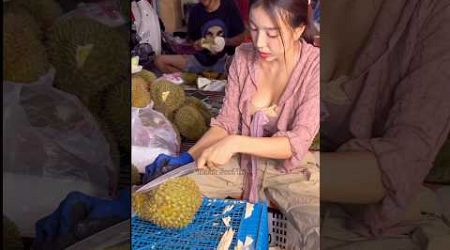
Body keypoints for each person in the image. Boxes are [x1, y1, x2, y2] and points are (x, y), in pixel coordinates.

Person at [146, 0, 320, 248]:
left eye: (272, 33)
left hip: (292, 171)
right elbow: (225, 123)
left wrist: (235, 141)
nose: (259, 43)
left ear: (299, 29)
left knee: (317, 230)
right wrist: (188, 158)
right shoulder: (243, 57)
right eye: (254, 29)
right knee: (164, 194)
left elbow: (296, 143)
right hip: (240, 165)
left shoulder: (314, 67)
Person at [318, 0, 450, 244]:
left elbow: (401, 165)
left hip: (367, 226)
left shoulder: (435, 13)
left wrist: (264, 170)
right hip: (273, 201)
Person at [154, 0, 246, 74]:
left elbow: (242, 38)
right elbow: (191, 42)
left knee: (244, 64)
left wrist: (224, 42)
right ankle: (190, 81)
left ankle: (207, 79)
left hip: (223, 61)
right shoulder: (195, 11)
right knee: (159, 60)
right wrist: (197, 44)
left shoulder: (229, 6)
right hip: (199, 61)